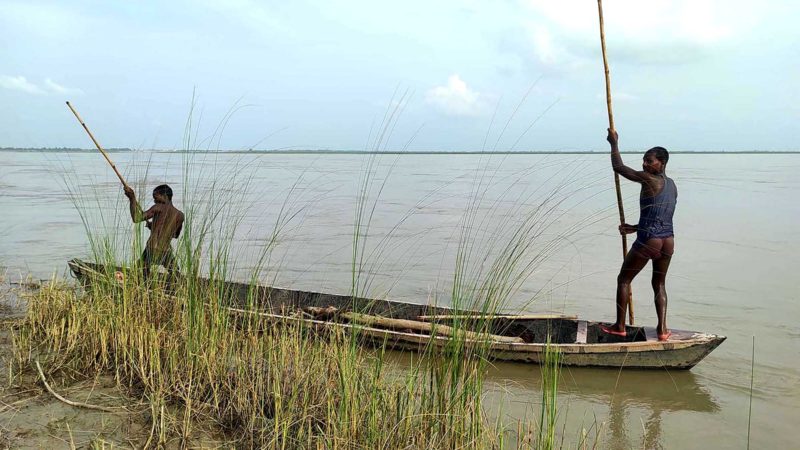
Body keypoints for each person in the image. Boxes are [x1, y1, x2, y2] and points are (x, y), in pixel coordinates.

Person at [601, 129, 677, 341]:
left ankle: (619, 326)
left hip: (650, 240)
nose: (644, 164)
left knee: (623, 280)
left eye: (649, 161)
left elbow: (619, 167)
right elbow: (661, 215)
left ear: (661, 163)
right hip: (667, 241)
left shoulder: (649, 180)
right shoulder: (672, 185)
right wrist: (634, 227)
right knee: (659, 285)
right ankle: (662, 330)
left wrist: (614, 143)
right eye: (643, 160)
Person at [123, 184, 184, 279]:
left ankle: (143, 285)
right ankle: (182, 288)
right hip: (165, 250)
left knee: (141, 270)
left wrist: (132, 198)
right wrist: (154, 226)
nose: (155, 201)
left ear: (165, 196)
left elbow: (136, 218)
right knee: (175, 273)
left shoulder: (158, 207)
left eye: (156, 198)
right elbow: (175, 235)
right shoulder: (180, 215)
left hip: (152, 248)